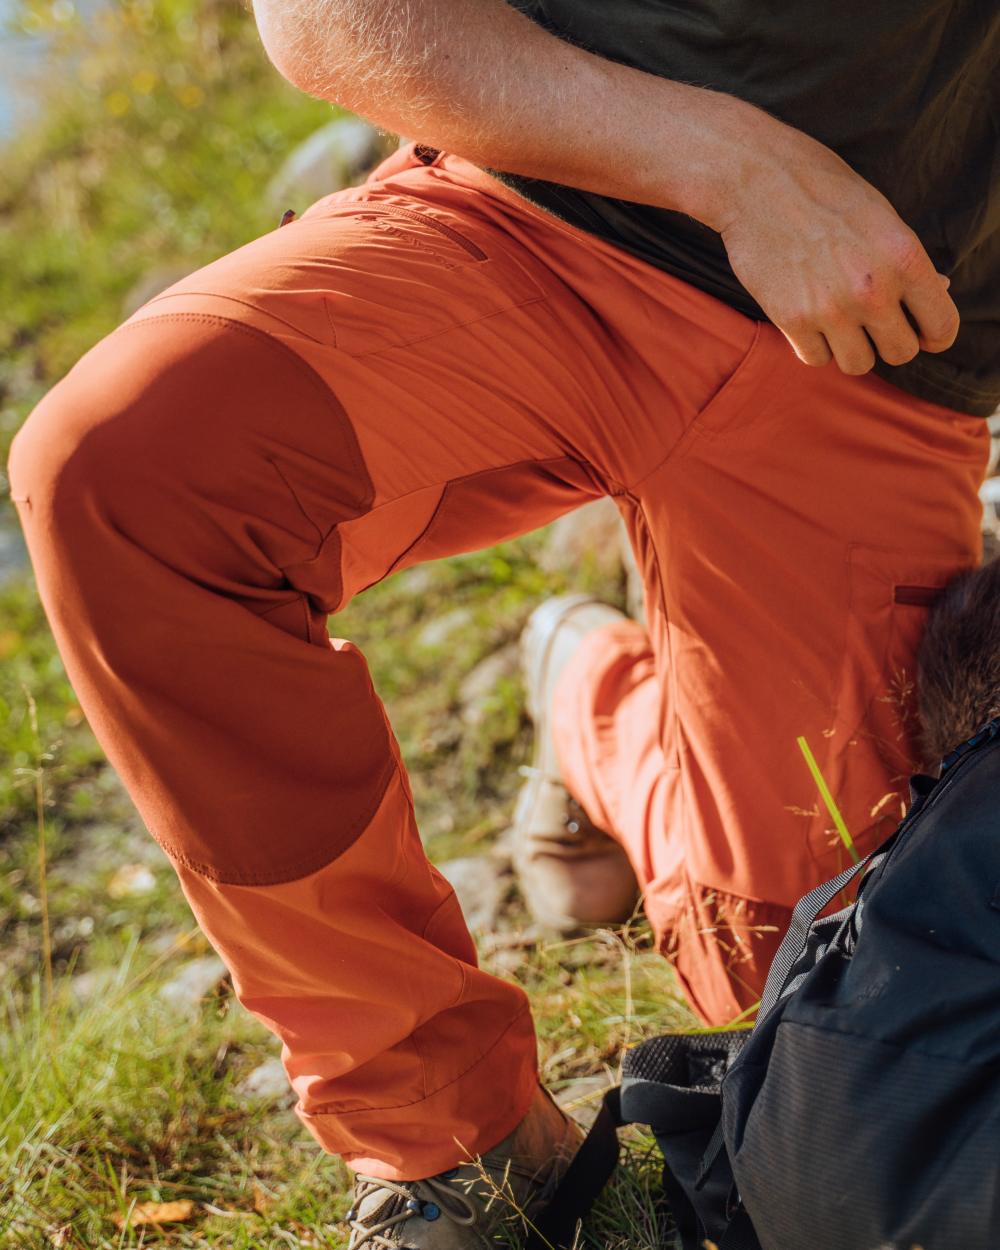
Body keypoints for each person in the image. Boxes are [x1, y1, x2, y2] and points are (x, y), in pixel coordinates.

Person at [8, 1, 998, 1245]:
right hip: (530, 230)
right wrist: (736, 165)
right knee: (130, 470)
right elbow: (326, 16)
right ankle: (448, 1143)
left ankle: (584, 684)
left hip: (882, 337)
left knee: (805, 975)